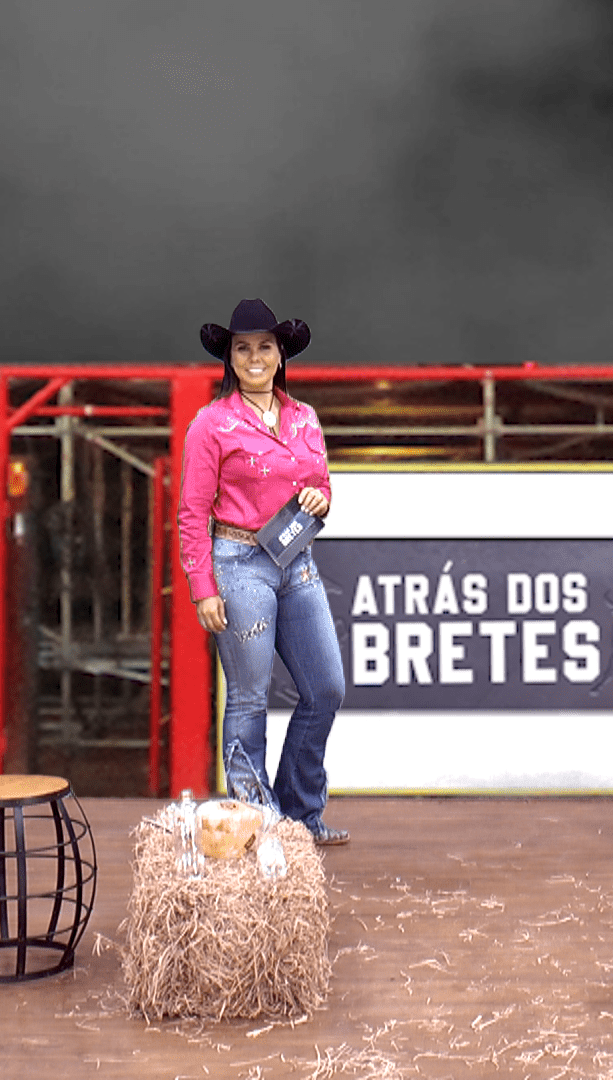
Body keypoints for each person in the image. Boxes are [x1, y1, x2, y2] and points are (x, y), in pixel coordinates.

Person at [178, 298, 348, 845]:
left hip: (297, 563)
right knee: (249, 697)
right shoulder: (211, 424)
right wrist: (203, 587)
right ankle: (257, 824)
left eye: (265, 347)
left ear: (280, 355)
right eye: (243, 348)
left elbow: (320, 483)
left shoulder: (304, 417)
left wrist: (321, 498)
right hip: (238, 565)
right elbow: (191, 512)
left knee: (326, 688)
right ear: (230, 358)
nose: (255, 357)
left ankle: (299, 816)